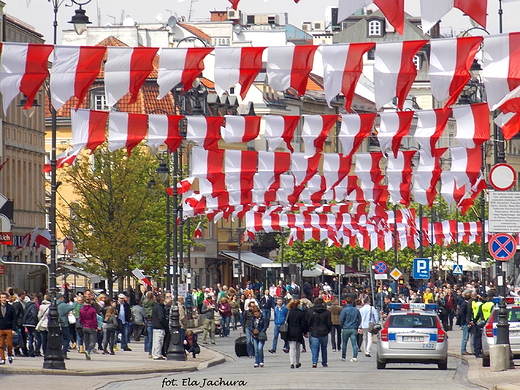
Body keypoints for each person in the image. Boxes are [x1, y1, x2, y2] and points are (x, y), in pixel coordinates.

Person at [305, 297, 332, 368]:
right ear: (322, 303)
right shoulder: (327, 312)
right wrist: (327, 330)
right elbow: (329, 323)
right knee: (324, 348)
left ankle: (314, 362)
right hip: (324, 332)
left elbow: (307, 322)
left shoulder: (310, 311)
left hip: (314, 332)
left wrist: (307, 330)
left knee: (314, 347)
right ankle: (324, 362)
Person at [286, 299, 307, 369]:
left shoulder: (289, 312)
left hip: (290, 330)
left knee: (292, 347)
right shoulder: (301, 313)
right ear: (298, 305)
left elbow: (287, 321)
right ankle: (297, 362)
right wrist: (305, 332)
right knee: (298, 347)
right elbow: (303, 324)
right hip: (298, 330)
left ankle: (292, 363)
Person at [339, 296, 362, 362]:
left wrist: (342, 326)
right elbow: (359, 319)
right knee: (354, 343)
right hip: (353, 328)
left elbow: (341, 319)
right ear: (352, 302)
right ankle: (355, 356)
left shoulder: (344, 310)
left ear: (346, 302)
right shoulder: (356, 310)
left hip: (346, 328)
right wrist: (357, 325)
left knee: (344, 343)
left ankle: (343, 356)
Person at [56, 293, 78, 359]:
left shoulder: (54, 304)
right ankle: (64, 353)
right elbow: (72, 307)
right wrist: (76, 301)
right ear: (61, 298)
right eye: (63, 297)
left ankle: (58, 352)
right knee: (67, 338)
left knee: (58, 338)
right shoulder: (62, 305)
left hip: (56, 324)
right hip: (63, 324)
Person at [0, 292, 16, 364]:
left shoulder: (10, 307)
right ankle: (2, 358)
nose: (4, 299)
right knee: (1, 344)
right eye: (2, 297)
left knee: (9, 344)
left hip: (8, 328)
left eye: (4, 297)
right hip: (0, 328)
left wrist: (14, 329)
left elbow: (14, 318)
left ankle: (9, 355)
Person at [151, 295, 168, 360]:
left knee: (155, 341)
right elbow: (161, 318)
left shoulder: (155, 306)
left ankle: (154, 353)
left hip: (155, 326)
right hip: (160, 326)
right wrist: (165, 323)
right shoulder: (160, 308)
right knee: (159, 341)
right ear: (161, 300)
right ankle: (157, 355)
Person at [142, 291, 155, 358]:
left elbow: (143, 311)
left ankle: (146, 347)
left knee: (147, 335)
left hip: (146, 319)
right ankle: (150, 351)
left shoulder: (144, 302)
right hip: (151, 319)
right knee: (151, 338)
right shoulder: (153, 303)